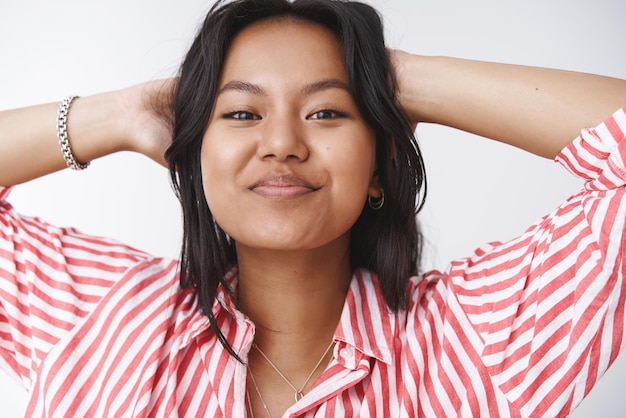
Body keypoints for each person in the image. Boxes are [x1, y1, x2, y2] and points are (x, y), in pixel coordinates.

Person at [0, 0, 625, 416]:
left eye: (327, 111)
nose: (281, 145)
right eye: (242, 113)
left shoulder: (477, 342)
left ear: (378, 167)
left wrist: (399, 80)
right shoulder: (95, 316)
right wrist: (117, 115)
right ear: (192, 156)